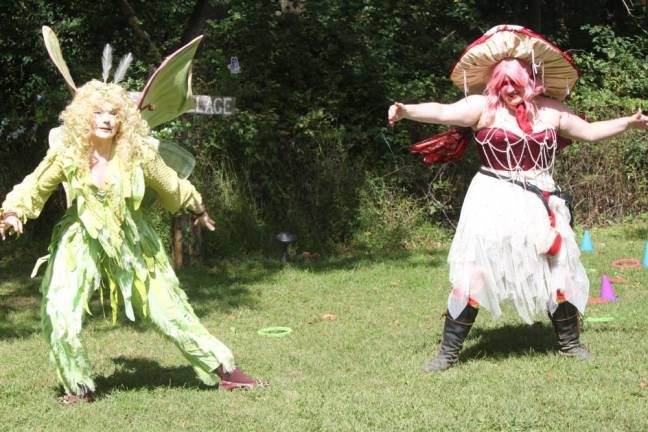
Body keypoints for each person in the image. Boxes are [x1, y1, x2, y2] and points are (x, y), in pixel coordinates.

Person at [0, 31, 259, 403]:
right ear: (82, 117)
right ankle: (79, 386)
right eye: (98, 113)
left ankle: (226, 370)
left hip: (133, 241)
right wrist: (12, 211)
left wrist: (197, 207)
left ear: (124, 120)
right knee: (59, 311)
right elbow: (34, 185)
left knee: (169, 309)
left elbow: (172, 184)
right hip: (81, 240)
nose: (106, 120)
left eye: (113, 114)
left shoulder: (138, 154)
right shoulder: (68, 153)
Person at [387, 24, 648, 372]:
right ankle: (447, 353)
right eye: (503, 83)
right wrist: (406, 110)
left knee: (561, 268)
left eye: (516, 82)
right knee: (475, 272)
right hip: (492, 200)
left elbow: (589, 132)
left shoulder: (550, 111)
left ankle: (570, 344)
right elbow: (442, 111)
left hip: (541, 202)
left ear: (529, 82)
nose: (510, 89)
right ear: (495, 83)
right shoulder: (482, 108)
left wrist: (629, 123)